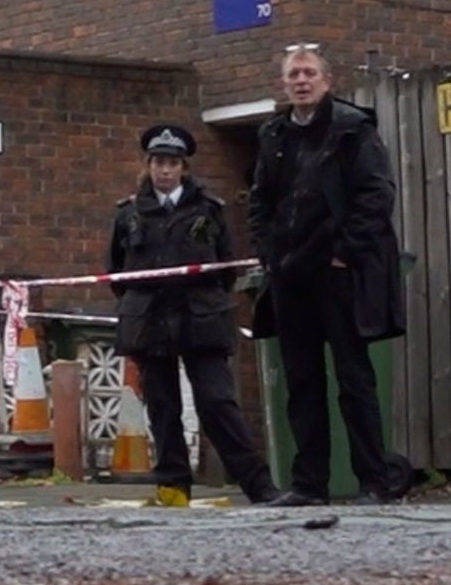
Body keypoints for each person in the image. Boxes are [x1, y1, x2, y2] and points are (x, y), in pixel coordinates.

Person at [247, 45, 411, 506]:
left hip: (338, 275)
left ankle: (374, 482)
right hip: (289, 276)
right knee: (301, 383)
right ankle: (308, 484)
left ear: (326, 80)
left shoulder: (351, 129)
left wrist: (344, 253)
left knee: (354, 380)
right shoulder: (273, 135)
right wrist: (268, 254)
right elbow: (259, 201)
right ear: (284, 83)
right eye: (293, 74)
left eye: (309, 73)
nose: (301, 81)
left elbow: (376, 196)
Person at [108, 123, 276, 506]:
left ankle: (257, 484)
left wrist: (205, 301)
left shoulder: (210, 210)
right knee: (163, 408)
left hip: (201, 319)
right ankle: (173, 487)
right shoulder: (128, 215)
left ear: (184, 168)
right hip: (149, 321)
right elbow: (117, 273)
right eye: (158, 162)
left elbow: (225, 269)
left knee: (218, 402)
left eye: (172, 163)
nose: (165, 170)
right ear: (148, 165)